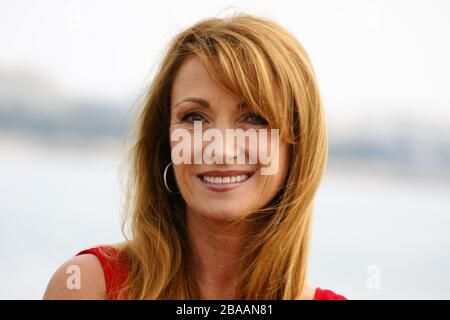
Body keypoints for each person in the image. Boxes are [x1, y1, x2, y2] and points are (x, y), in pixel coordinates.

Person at [43, 12, 347, 300]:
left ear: (297, 146)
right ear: (166, 143)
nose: (221, 150)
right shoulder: (87, 286)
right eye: (194, 118)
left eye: (254, 118)